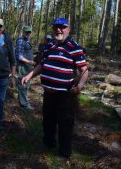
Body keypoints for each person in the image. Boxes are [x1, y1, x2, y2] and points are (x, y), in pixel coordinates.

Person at [22, 18, 88, 159]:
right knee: (48, 120)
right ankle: (48, 143)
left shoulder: (74, 47)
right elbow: (42, 65)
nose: (58, 29)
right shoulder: (49, 46)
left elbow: (84, 70)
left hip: (65, 95)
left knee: (65, 124)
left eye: (62, 27)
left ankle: (64, 153)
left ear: (68, 29)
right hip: (48, 93)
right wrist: (29, 75)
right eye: (56, 27)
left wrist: (80, 86)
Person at [15, 25, 36, 110]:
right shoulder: (20, 41)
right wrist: (29, 61)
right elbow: (18, 56)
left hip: (28, 67)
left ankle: (23, 101)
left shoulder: (27, 41)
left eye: (29, 32)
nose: (28, 33)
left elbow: (26, 52)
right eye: (26, 32)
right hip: (23, 67)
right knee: (23, 85)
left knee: (26, 84)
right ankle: (24, 105)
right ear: (23, 32)